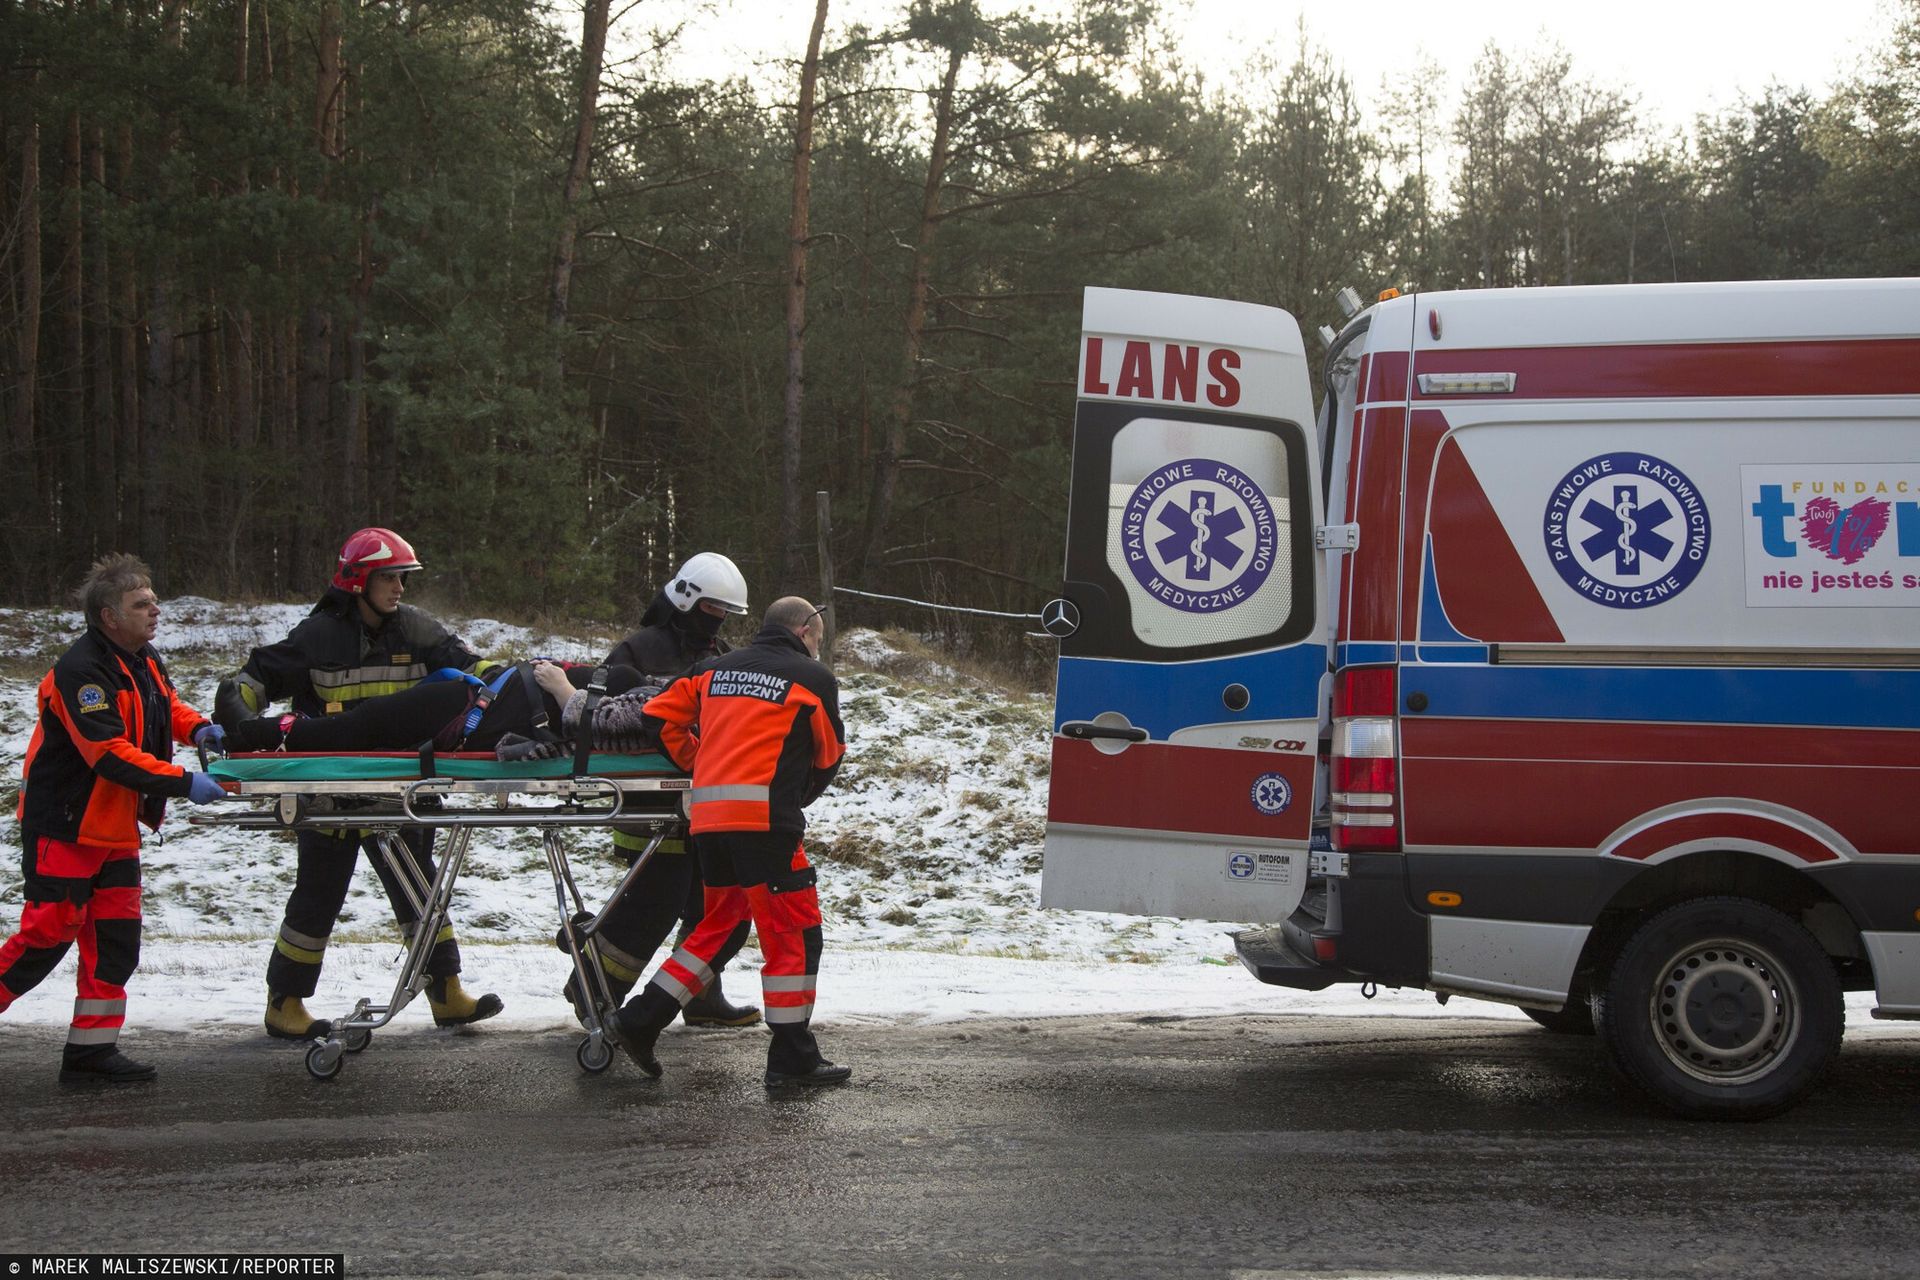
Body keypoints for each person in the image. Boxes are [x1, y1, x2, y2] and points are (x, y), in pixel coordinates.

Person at [211, 527, 504, 1040]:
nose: (399, 588)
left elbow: (476, 669)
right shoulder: (317, 637)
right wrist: (238, 721)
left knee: (421, 890)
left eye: (403, 578)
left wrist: (511, 681)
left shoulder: (418, 630)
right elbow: (250, 682)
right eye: (388, 578)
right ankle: (284, 1003)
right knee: (318, 894)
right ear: (357, 582)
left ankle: (446, 992)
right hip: (330, 794)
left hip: (403, 790)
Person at [602, 596, 849, 1088]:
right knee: (794, 935)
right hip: (766, 825)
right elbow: (828, 755)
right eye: (818, 640)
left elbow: (657, 715)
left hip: (710, 822)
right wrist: (796, 796)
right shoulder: (812, 678)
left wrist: (698, 762)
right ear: (804, 631)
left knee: (721, 927)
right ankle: (793, 1058)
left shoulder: (711, 670)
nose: (817, 649)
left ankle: (639, 1021)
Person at [3, 555, 229, 1083]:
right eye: (142, 604)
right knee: (45, 937)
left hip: (115, 829)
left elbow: (164, 705)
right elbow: (107, 753)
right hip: (66, 826)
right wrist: (183, 782)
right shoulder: (80, 672)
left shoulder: (143, 658)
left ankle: (91, 1053)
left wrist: (197, 728)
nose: (156, 610)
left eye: (154, 600)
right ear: (109, 616)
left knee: (115, 943)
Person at [571, 552, 761, 1030]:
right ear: (687, 601)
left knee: (709, 901)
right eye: (713, 609)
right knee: (656, 903)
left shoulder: (720, 655)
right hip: (649, 801)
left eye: (726, 612)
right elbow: (606, 721)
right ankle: (593, 988)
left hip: (704, 797)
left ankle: (700, 995)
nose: (718, 620)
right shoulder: (636, 651)